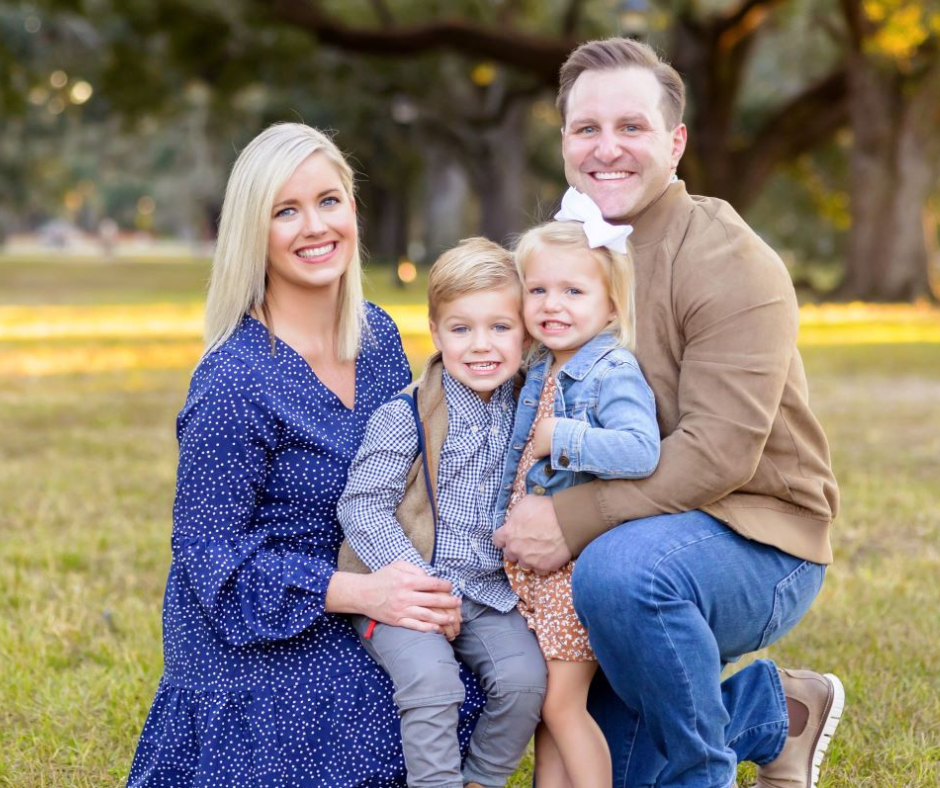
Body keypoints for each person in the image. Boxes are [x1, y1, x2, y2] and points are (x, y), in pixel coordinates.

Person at [493, 38, 844, 788]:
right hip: (632, 527)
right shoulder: (561, 260)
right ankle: (772, 711)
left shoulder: (729, 261)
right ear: (563, 142)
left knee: (622, 576)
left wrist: (573, 521)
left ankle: (700, 771)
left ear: (676, 141)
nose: (606, 148)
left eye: (632, 127)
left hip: (753, 532)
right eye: (586, 129)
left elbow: (719, 454)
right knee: (612, 764)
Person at [125, 122, 484, 788]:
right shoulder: (235, 381)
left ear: (352, 209)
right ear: (252, 234)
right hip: (256, 627)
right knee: (368, 715)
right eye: (285, 211)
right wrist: (364, 592)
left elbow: (414, 482)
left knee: (491, 661)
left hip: (372, 581)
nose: (315, 226)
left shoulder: (377, 337)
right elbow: (209, 559)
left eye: (329, 201)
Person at [337, 238, 547, 788]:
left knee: (525, 681)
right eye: (461, 329)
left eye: (500, 327)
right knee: (434, 682)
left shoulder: (529, 406)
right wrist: (421, 587)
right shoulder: (406, 412)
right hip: (404, 585)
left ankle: (480, 779)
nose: (482, 346)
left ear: (525, 332)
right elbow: (362, 505)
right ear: (435, 332)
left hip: (486, 592)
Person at [493, 211, 660, 788]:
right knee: (549, 710)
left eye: (572, 290)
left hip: (573, 572)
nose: (551, 304)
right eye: (537, 290)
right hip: (538, 573)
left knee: (563, 706)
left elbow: (642, 451)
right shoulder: (542, 367)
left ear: (611, 306)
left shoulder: (611, 369)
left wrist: (561, 439)